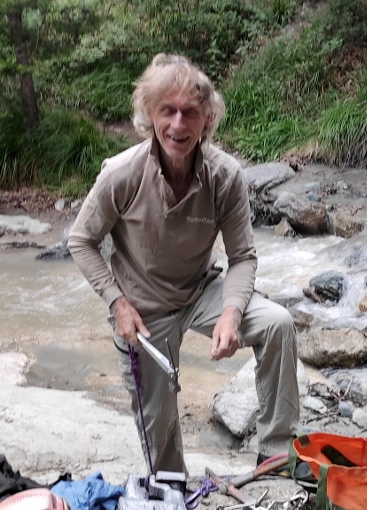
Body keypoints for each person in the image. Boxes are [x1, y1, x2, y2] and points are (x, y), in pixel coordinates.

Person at [68, 53, 299, 474]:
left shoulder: (225, 175)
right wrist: (117, 303)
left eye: (189, 112)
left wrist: (231, 314)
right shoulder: (121, 174)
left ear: (206, 119)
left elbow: (243, 256)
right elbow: (81, 241)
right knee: (164, 457)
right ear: (150, 116)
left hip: (200, 290)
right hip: (143, 311)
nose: (178, 124)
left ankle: (277, 451)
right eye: (167, 111)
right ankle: (174, 487)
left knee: (277, 323)